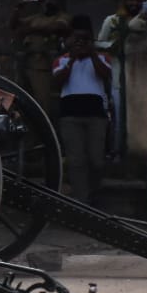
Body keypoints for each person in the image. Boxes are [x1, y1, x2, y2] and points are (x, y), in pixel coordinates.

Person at [95, 0, 147, 158]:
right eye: (131, 0)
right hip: (118, 77)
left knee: (143, 116)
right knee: (119, 117)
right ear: (124, 1)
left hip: (143, 77)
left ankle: (141, 153)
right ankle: (117, 152)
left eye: (138, 0)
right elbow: (100, 45)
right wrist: (114, 48)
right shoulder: (112, 21)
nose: (134, 3)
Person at [53, 28, 111, 203]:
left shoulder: (102, 58)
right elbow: (58, 81)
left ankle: (93, 193)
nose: (80, 42)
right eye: (76, 39)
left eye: (84, 39)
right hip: (70, 115)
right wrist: (71, 58)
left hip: (96, 115)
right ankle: (82, 201)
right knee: (76, 160)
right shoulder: (60, 60)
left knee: (96, 160)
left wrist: (92, 54)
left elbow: (106, 74)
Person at [9, 0, 72, 114]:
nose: (49, 2)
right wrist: (18, 8)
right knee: (22, 103)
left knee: (44, 106)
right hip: (27, 65)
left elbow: (56, 28)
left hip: (46, 68)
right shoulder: (36, 18)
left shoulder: (63, 16)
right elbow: (14, 25)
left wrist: (30, 30)